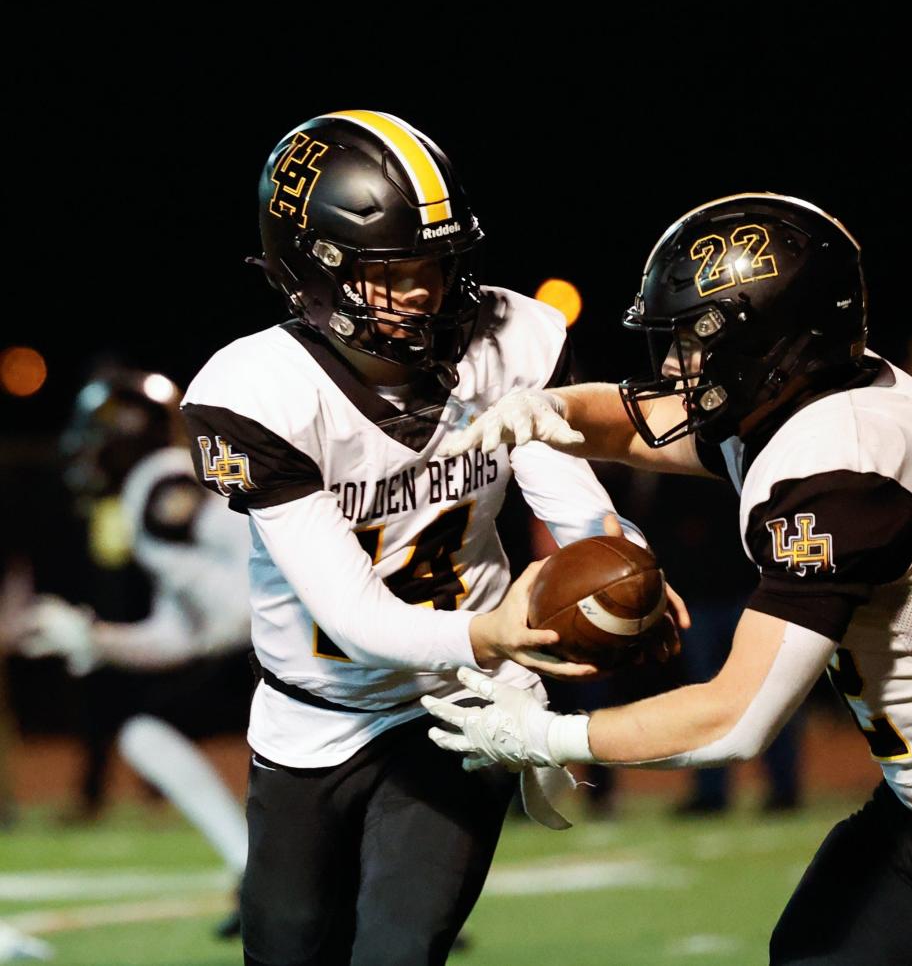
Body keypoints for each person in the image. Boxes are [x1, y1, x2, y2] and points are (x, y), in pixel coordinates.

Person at [427, 193, 912, 965]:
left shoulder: (842, 468)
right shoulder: (821, 394)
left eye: (696, 341)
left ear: (768, 345)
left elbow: (737, 715)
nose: (674, 364)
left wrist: (548, 736)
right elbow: (641, 420)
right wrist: (545, 410)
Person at [180, 110, 674, 966]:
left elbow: (570, 497)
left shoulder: (507, 340)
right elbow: (353, 615)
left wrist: (618, 558)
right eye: (396, 270)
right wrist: (491, 628)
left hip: (458, 705)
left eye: (439, 266)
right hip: (315, 715)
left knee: (402, 950)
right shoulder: (258, 392)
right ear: (314, 271)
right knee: (286, 948)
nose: (426, 292)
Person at [15, 368, 253, 936]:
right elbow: (178, 633)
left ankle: (270, 875)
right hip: (273, 640)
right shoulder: (159, 487)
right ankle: (289, 881)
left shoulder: (160, 485)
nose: (87, 451)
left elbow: (257, 557)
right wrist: (98, 638)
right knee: (148, 733)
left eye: (96, 435)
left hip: (282, 640)